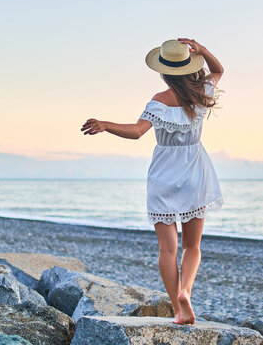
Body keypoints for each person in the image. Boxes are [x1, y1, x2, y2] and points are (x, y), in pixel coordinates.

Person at [80, 38, 224, 325]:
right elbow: (219, 70)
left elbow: (136, 132)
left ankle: (178, 308)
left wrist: (106, 125)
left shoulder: (159, 101)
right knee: (191, 247)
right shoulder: (202, 92)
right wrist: (203, 50)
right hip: (196, 171)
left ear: (164, 73)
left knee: (167, 249)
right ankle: (186, 291)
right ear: (189, 66)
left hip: (163, 175)